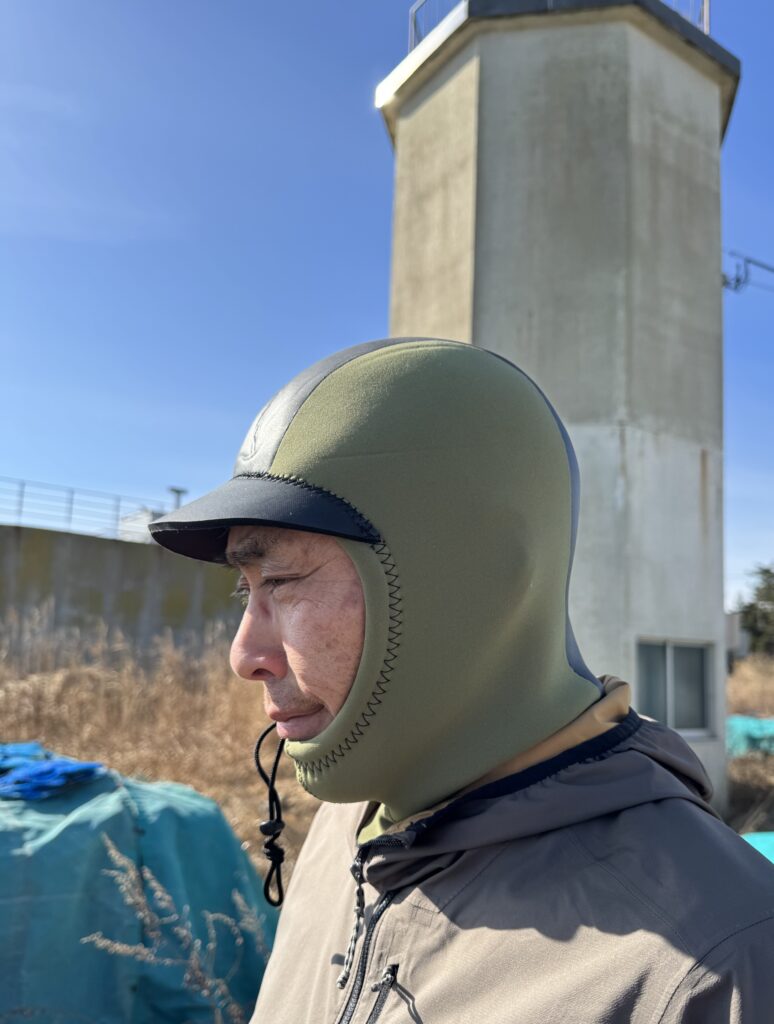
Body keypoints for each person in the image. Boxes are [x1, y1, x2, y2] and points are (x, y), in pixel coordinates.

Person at [150, 338, 774, 1024]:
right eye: (245, 590)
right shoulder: (348, 829)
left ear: (476, 581)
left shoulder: (721, 964)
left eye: (284, 581)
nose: (245, 655)